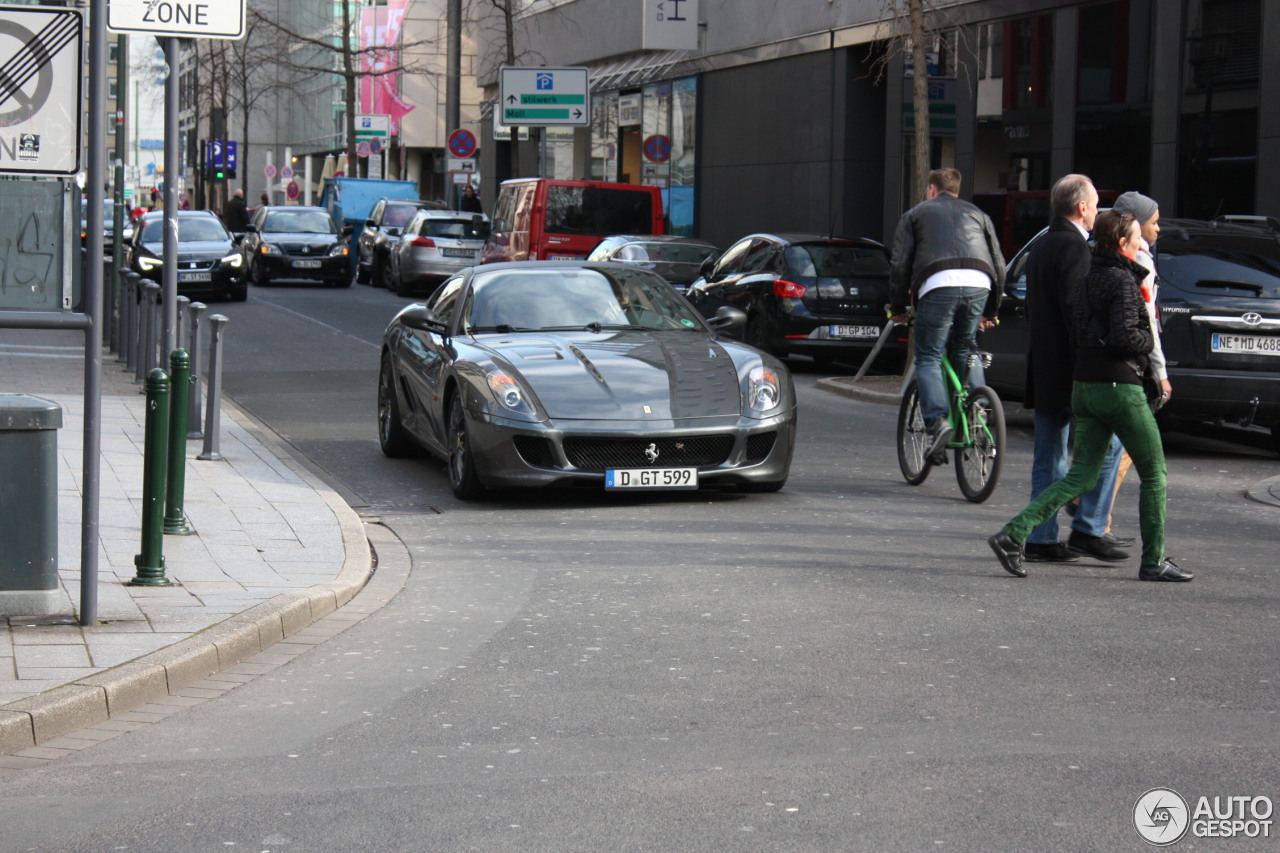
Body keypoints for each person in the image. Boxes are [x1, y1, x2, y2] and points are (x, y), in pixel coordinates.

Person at [988, 209, 1193, 583]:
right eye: (1136, 239)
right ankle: (1153, 561)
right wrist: (1148, 341)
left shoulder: (1085, 280)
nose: (1141, 244)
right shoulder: (1124, 282)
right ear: (1122, 243)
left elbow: (1076, 334)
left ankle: (1013, 534)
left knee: (1081, 476)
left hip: (1084, 386)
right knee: (1155, 474)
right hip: (1120, 388)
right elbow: (1126, 338)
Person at [1021, 174, 1129, 564]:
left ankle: (1042, 538)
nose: (1098, 211)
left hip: (1045, 367)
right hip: (1074, 369)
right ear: (1081, 206)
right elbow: (1077, 311)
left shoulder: (1042, 245)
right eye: (1096, 203)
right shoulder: (1074, 248)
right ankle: (1089, 527)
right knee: (1110, 442)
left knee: (1049, 455)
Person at [888, 168, 1004, 463]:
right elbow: (999, 263)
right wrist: (991, 310)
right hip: (980, 281)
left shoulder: (915, 215)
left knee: (928, 355)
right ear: (957, 190)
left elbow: (900, 264)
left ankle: (937, 423)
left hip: (937, 283)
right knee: (965, 348)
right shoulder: (979, 214)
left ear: (931, 189)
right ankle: (977, 410)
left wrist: (898, 308)